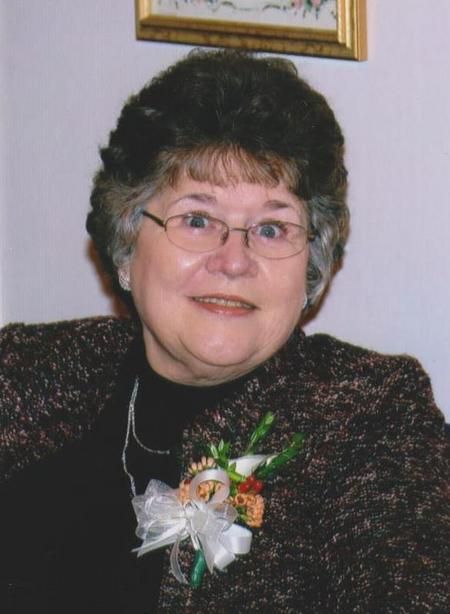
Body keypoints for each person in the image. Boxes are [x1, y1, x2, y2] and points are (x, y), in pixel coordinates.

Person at [1, 49, 449, 613]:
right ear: (126, 244)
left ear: (311, 264)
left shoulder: (372, 418)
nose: (234, 261)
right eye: (197, 220)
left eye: (271, 228)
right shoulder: (25, 370)